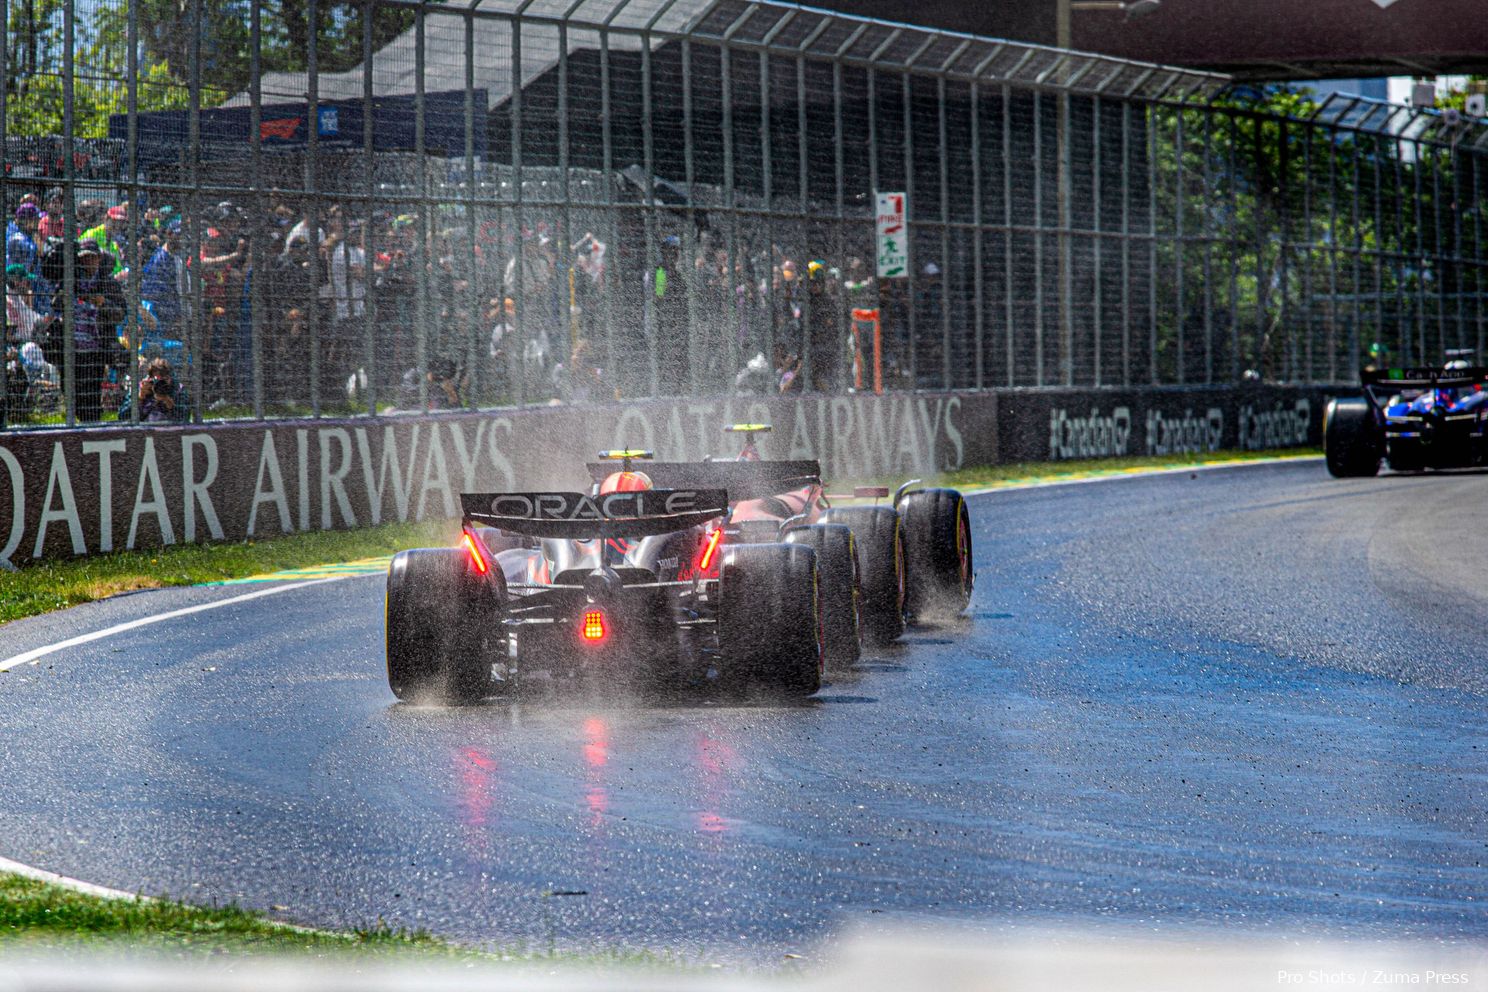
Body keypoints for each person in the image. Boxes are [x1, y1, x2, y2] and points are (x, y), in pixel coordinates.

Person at [53, 239, 127, 422]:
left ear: (99, 258)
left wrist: (103, 304)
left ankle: (92, 427)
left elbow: (120, 314)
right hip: (71, 347)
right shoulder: (70, 281)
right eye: (84, 259)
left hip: (96, 347)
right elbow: (55, 304)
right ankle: (73, 425)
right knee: (71, 391)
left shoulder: (108, 284)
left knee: (91, 395)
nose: (88, 262)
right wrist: (64, 299)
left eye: (92, 258)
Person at [129, 356, 190, 423]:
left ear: (170, 377)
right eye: (157, 380)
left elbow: (184, 419)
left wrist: (169, 403)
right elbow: (123, 416)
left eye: (163, 380)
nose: (160, 384)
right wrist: (140, 398)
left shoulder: (179, 389)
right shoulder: (143, 388)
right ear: (150, 378)